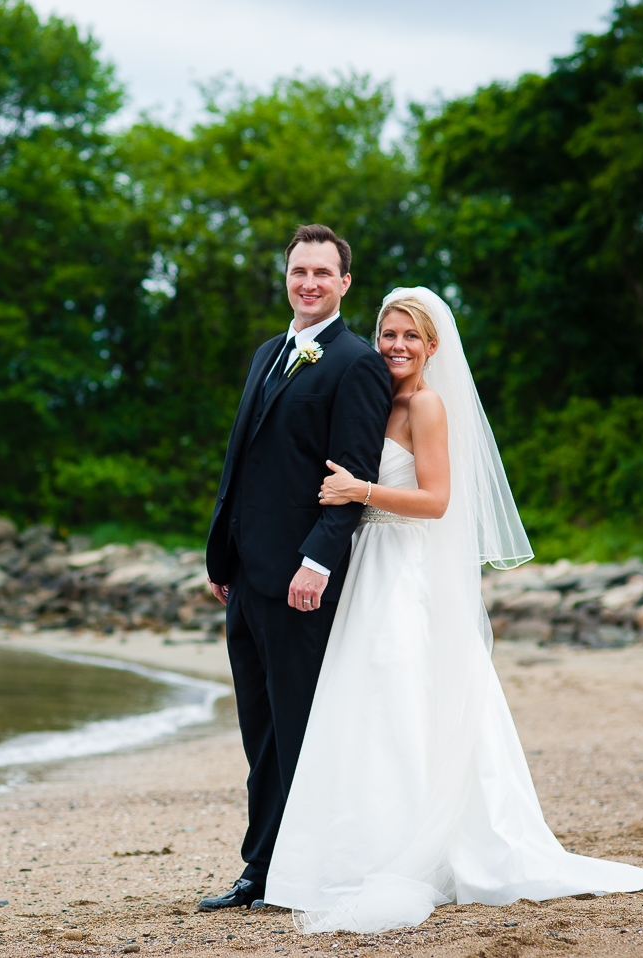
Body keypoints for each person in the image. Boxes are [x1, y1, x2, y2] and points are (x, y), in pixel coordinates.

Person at [262, 286, 643, 933]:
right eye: (389, 334)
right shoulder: (375, 397)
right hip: (369, 565)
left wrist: (362, 489)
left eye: (411, 336)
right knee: (367, 702)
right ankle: (366, 840)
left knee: (406, 690)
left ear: (433, 346)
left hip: (404, 562)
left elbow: (437, 499)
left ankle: (426, 847)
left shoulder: (428, 405)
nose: (397, 346)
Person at [199, 224, 391, 912]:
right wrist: (220, 553)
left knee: (300, 726)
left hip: (301, 583)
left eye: (321, 272)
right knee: (261, 729)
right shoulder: (265, 354)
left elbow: (353, 478)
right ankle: (267, 864)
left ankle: (272, 873)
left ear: (344, 283)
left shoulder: (356, 362)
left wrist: (316, 561)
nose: (307, 282)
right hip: (245, 579)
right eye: (297, 271)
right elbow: (241, 462)